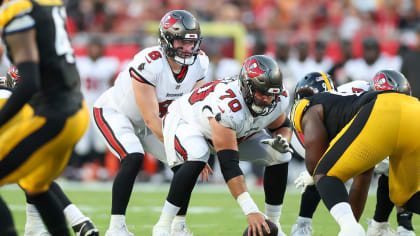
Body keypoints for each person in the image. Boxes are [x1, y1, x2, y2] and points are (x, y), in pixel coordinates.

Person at [93, 10, 209, 236]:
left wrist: (193, 151)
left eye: (191, 43)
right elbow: (150, 118)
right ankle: (116, 228)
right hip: (116, 113)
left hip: (150, 122)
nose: (187, 49)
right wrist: (180, 147)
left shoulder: (200, 63)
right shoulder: (150, 62)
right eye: (181, 42)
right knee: (134, 156)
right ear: (166, 40)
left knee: (188, 162)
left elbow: (191, 111)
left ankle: (177, 225)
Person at [152, 55, 293, 236]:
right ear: (246, 87)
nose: (267, 99)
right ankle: (163, 226)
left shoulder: (277, 98)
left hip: (232, 132)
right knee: (198, 153)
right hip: (186, 120)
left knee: (280, 155)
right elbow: (229, 164)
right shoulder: (228, 105)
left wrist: (282, 140)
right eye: (261, 93)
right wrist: (250, 210)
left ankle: (275, 225)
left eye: (271, 94)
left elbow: (281, 126)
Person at [291, 71, 420, 235]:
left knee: (325, 175)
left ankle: (348, 228)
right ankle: (361, 227)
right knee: (406, 197)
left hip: (382, 111)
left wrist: (314, 173)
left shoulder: (304, 108)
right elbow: (363, 176)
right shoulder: (352, 97)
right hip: (415, 109)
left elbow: (317, 164)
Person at [0, 0, 90, 235]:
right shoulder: (48, 3)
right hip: (76, 110)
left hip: (52, 115)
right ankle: (77, 220)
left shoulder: (16, 11)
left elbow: (28, 81)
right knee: (36, 187)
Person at [1, 66, 99, 236]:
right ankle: (67, 222)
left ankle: (76, 220)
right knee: (31, 173)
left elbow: (17, 79)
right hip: (69, 112)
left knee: (23, 169)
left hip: (21, 111)